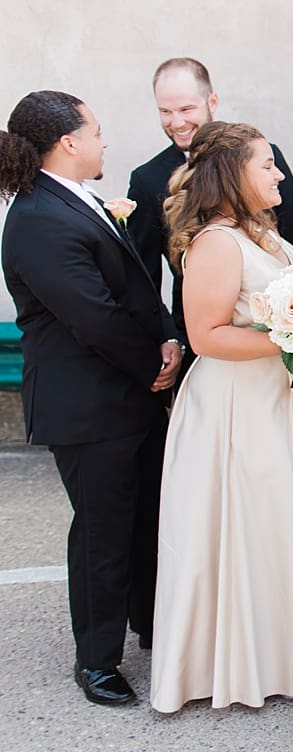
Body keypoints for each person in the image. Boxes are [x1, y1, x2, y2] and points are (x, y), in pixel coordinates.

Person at [150, 122, 293, 713]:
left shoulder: (262, 235)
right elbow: (206, 334)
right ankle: (259, 660)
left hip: (286, 397)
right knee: (259, 529)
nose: (278, 175)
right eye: (266, 165)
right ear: (232, 175)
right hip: (240, 409)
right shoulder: (218, 243)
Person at [0, 90, 180, 706]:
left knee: (147, 517)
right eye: (96, 131)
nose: (105, 141)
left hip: (126, 393)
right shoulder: (37, 219)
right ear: (69, 142)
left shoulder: (78, 200)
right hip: (88, 404)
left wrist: (167, 339)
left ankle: (150, 622)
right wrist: (151, 368)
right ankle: (97, 660)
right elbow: (93, 316)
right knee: (103, 533)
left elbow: (131, 282)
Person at [127, 57, 293, 372]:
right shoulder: (147, 179)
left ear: (212, 101)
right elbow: (142, 276)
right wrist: (169, 337)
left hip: (283, 331)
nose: (176, 122)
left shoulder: (265, 157)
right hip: (205, 341)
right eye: (165, 112)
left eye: (186, 110)